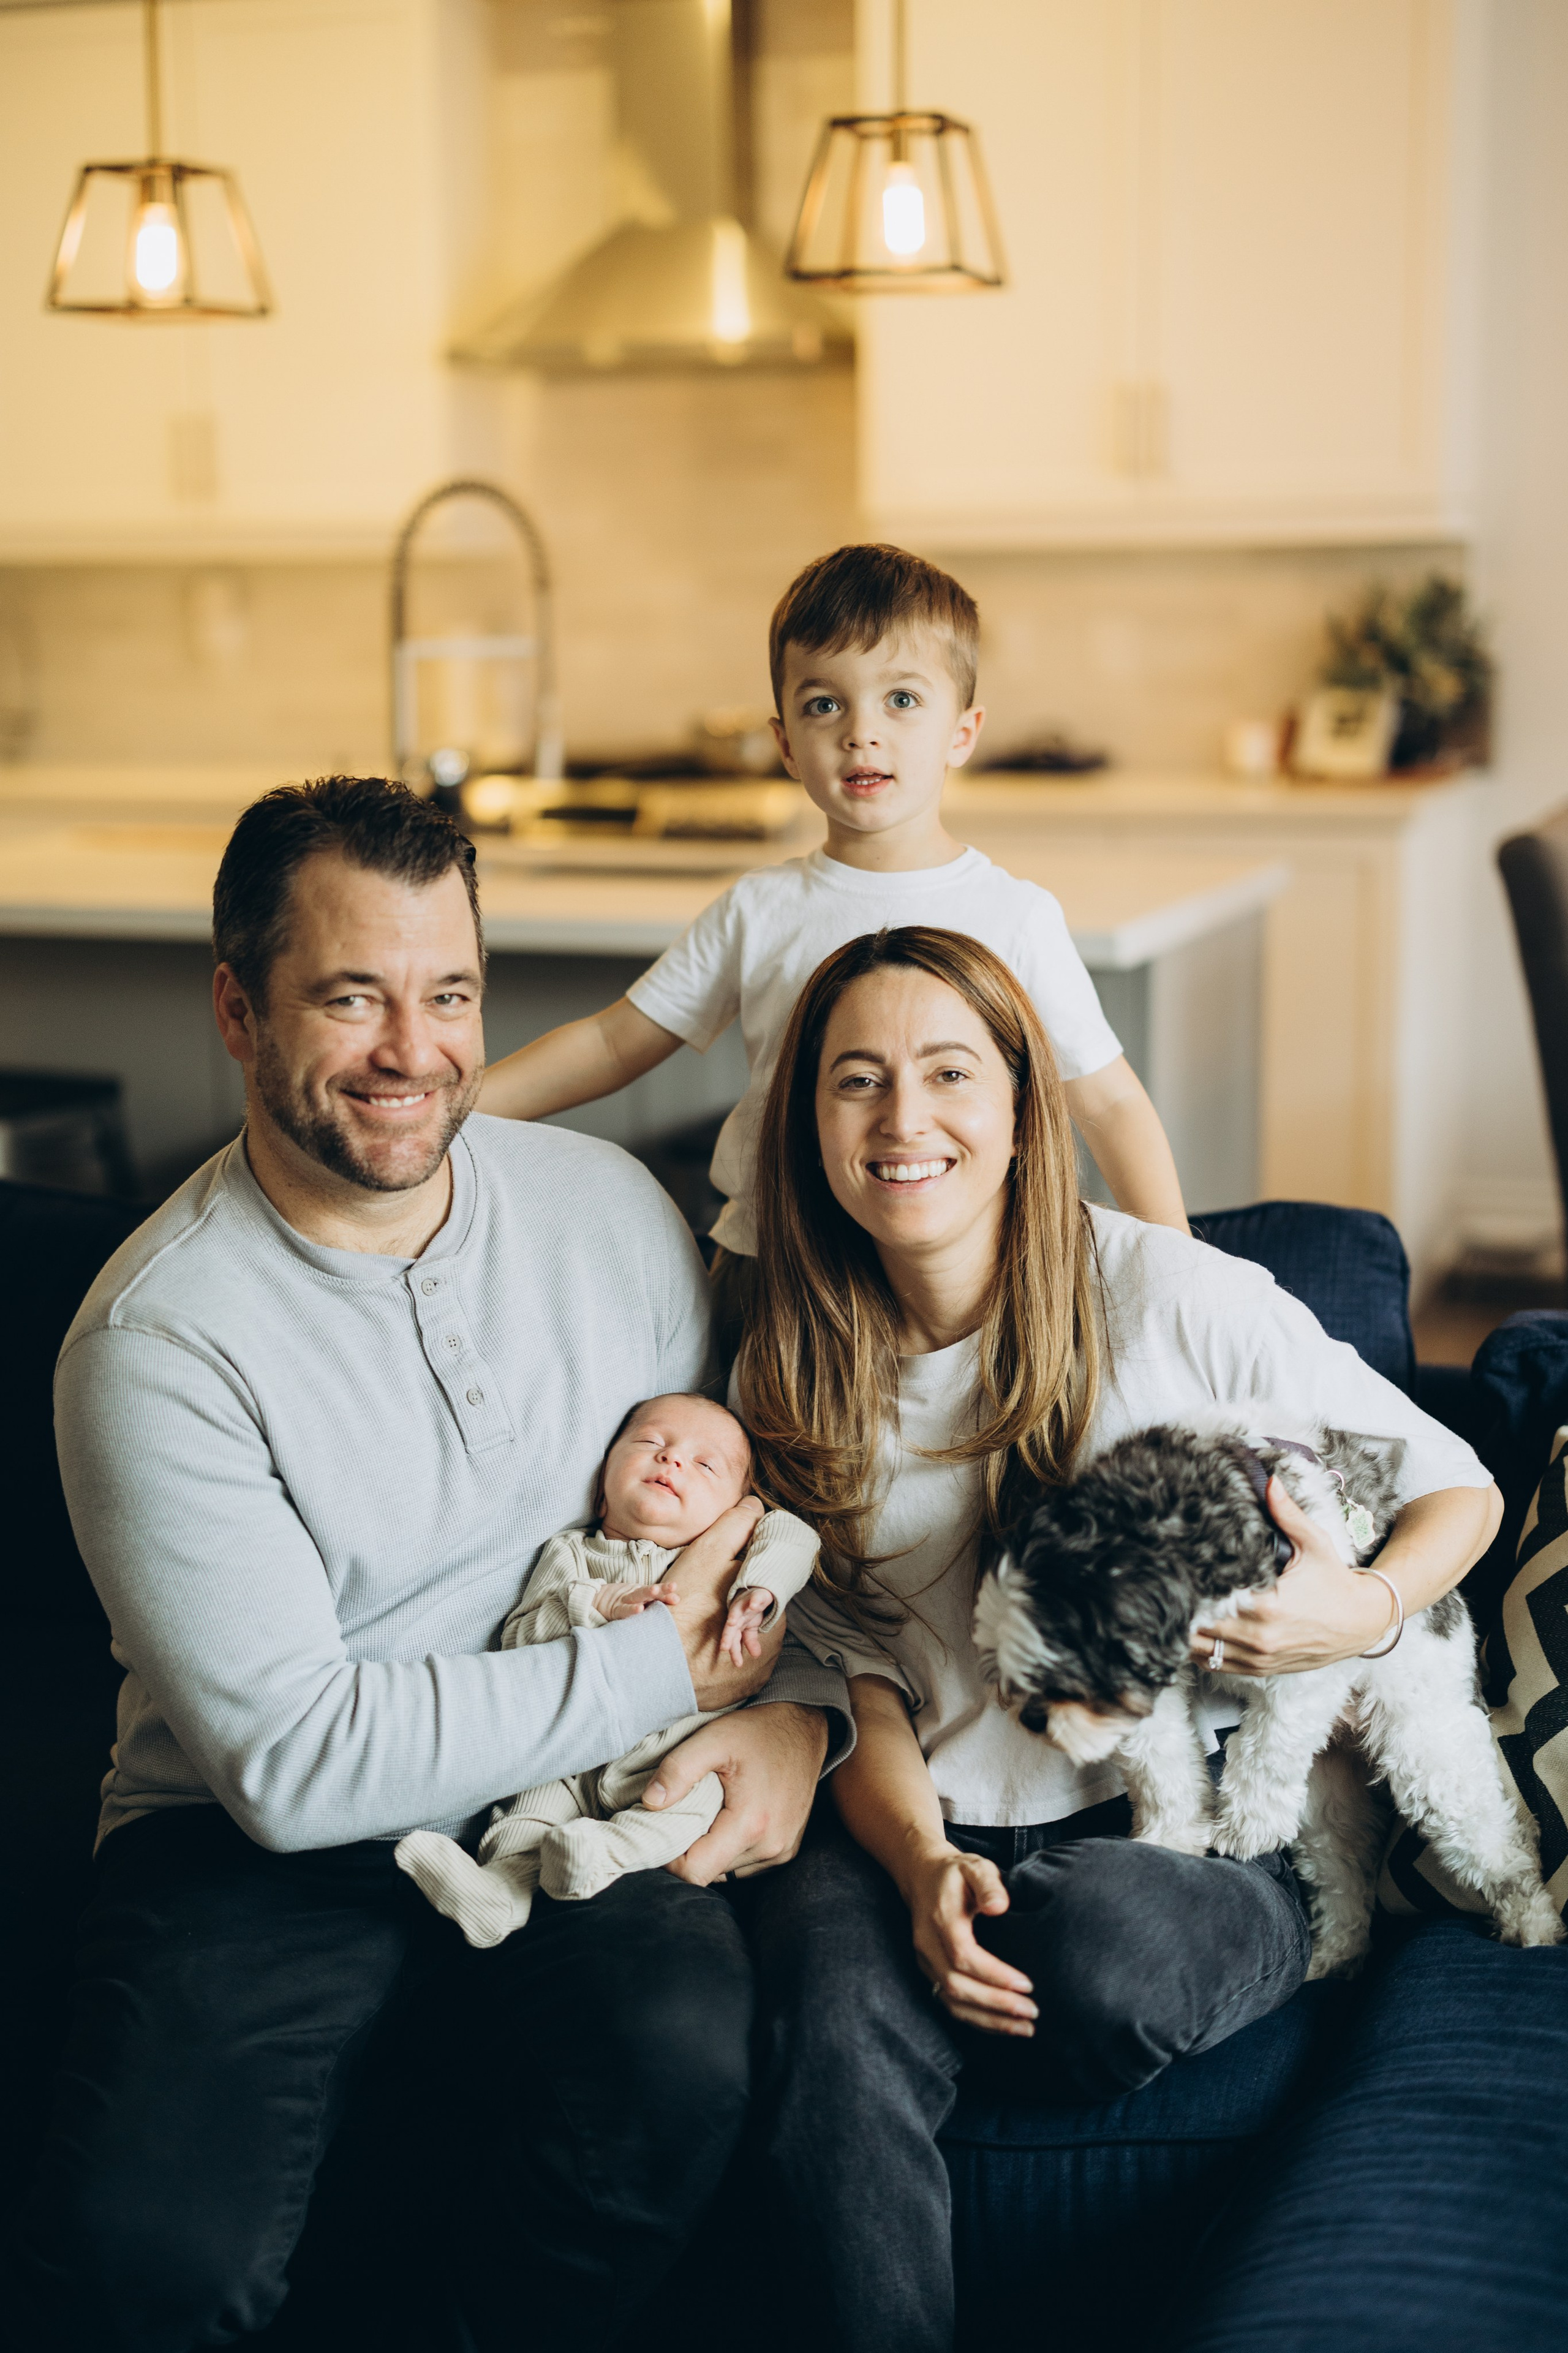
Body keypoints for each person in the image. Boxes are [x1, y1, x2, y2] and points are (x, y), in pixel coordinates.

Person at [10, 777, 846, 2353]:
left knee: (679, 2063)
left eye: (448, 993)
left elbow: (738, 1519)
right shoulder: (155, 1343)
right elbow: (293, 1763)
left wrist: (803, 1713)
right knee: (150, 2261)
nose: (414, 1050)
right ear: (237, 1010)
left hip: (571, 1797)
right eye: (351, 996)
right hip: (249, 1845)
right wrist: (653, 1665)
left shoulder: (609, 1209)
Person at [732, 924, 1501, 2353]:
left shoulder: (1169, 1292)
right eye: (855, 1079)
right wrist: (919, 1866)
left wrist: (1362, 1607)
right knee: (829, 2042)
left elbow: (1455, 1482)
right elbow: (853, 1678)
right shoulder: (784, 1363)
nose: (900, 1119)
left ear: (1025, 1111)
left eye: (947, 1072)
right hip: (917, 1810)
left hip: (1189, 1819)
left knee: (1106, 1958)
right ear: (806, 1122)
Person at [475, 543, 1188, 1353]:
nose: (861, 734)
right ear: (785, 744)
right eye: (824, 706)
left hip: (956, 1286)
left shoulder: (1014, 916)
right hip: (773, 1275)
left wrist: (1181, 1270)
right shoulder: (759, 909)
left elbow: (1109, 1103)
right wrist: (455, 1113)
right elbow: (614, 1043)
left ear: (962, 733)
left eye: (901, 699)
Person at [395, 1391, 819, 1947]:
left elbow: (796, 1536)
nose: (672, 1459)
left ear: (737, 1511)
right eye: (651, 1442)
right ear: (601, 1489)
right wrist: (593, 1604)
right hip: (569, 1758)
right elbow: (521, 1638)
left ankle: (604, 1855)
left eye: (704, 1464)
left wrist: (762, 1587)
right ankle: (498, 1891)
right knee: (529, 1809)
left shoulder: (738, 1559)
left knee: (698, 1799)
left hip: (674, 1751)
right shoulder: (570, 1555)